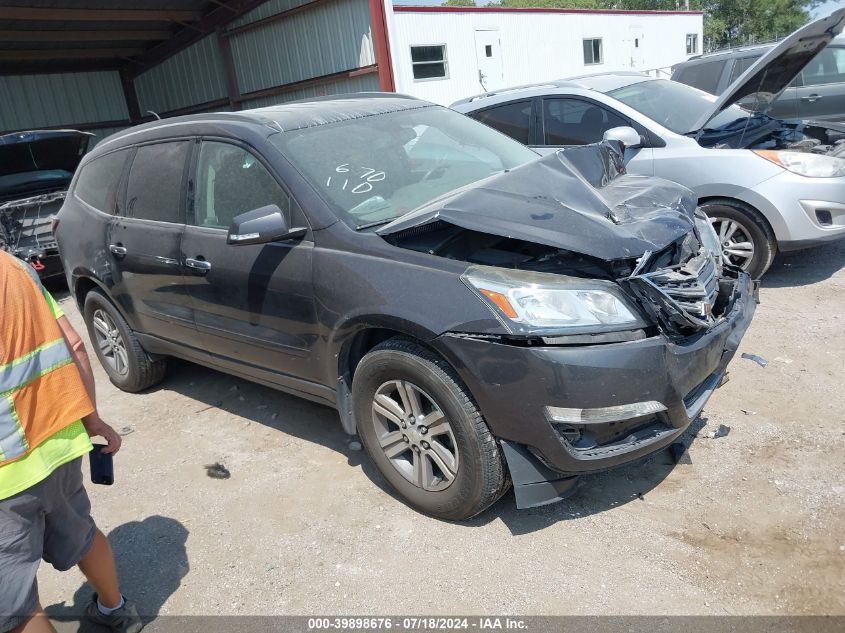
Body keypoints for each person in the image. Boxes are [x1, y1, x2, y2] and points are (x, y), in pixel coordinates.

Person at [0, 251, 143, 633]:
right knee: (82, 534)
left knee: (14, 607)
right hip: (60, 442)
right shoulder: (13, 268)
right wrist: (91, 418)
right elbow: (74, 345)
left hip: (6, 476)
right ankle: (116, 610)